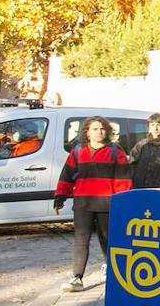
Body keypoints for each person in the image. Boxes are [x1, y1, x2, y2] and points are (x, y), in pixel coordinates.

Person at [54, 116, 132, 292]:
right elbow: (67, 175)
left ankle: (111, 269)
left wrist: (121, 201)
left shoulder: (115, 151)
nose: (99, 132)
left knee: (107, 239)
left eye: (102, 128)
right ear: (87, 132)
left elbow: (123, 179)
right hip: (83, 202)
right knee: (81, 240)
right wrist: (60, 196)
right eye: (95, 129)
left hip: (107, 203)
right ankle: (77, 277)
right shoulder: (77, 151)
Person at [129, 113, 160, 189]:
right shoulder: (141, 145)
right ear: (148, 128)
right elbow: (131, 167)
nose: (155, 128)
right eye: (152, 125)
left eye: (159, 125)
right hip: (142, 190)